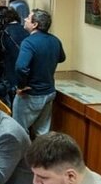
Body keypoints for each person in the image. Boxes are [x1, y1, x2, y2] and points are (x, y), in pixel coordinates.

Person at [13, 9, 66, 138]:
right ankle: (40, 157)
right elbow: (62, 58)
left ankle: (22, 158)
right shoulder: (55, 40)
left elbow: (21, 67)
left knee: (19, 132)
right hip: (49, 92)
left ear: (35, 24)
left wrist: (21, 86)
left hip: (31, 94)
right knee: (42, 133)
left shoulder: (29, 42)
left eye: (28, 18)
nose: (25, 19)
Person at [0, 7, 29, 104]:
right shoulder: (26, 30)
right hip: (25, 74)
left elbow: (1, 52)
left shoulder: (5, 33)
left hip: (10, 72)